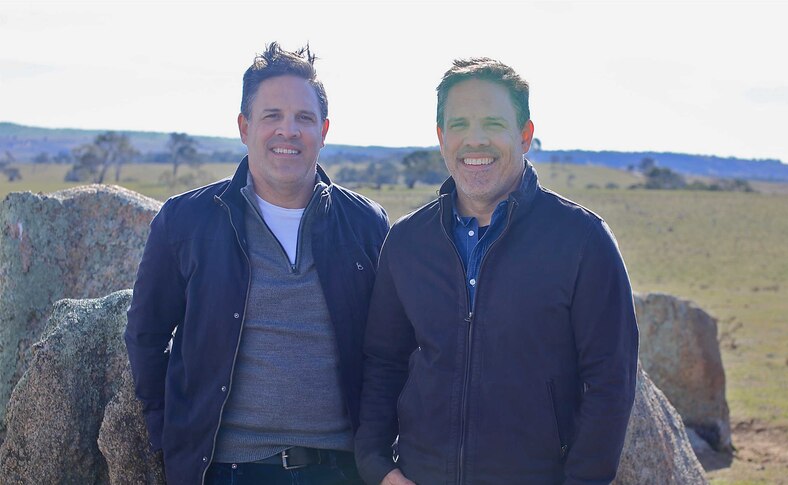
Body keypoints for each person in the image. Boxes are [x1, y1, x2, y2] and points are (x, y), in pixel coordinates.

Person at [354, 58, 638, 485]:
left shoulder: (583, 241)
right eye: (460, 125)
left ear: (525, 135)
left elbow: (610, 381)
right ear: (441, 137)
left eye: (492, 123)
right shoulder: (407, 242)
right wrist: (377, 464)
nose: (475, 140)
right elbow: (382, 362)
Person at [125, 42, 389, 485]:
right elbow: (146, 336)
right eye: (272, 116)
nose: (289, 131)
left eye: (304, 118)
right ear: (244, 127)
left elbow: (390, 352)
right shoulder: (185, 221)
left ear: (323, 130)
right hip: (226, 470)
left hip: (341, 470)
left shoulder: (365, 224)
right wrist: (168, 437)